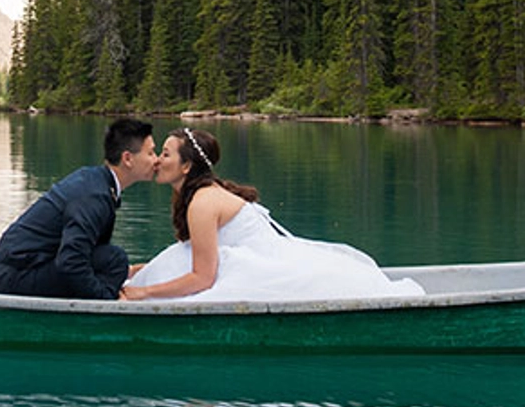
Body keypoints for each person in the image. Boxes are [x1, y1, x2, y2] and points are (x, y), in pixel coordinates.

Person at [120, 127, 423, 303]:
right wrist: (136, 270)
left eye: (165, 154)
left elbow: (203, 277)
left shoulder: (202, 201)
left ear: (186, 166)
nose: (157, 161)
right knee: (165, 263)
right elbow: (195, 253)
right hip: (258, 256)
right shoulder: (196, 194)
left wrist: (144, 292)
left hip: (262, 267)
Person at [0, 117, 157, 299]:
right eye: (151, 153)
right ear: (127, 158)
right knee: (115, 260)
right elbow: (71, 261)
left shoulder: (97, 183)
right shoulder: (94, 195)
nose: (156, 160)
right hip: (13, 276)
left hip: (17, 268)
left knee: (114, 262)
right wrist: (106, 299)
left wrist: (128, 272)